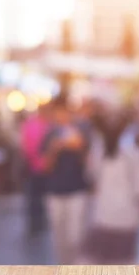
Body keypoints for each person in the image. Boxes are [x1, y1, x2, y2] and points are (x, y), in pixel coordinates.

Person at [83, 113, 139, 264]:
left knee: (101, 263)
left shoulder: (98, 151)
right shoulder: (133, 152)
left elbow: (90, 177)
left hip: (103, 215)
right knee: (123, 264)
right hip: (127, 216)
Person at [41, 97, 89, 264]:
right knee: (58, 237)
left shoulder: (81, 130)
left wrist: (77, 146)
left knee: (75, 236)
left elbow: (87, 159)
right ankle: (63, 268)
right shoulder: (50, 134)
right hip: (55, 191)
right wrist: (54, 149)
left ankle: (76, 268)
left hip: (76, 190)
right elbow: (45, 166)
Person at [20, 103, 51, 237]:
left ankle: (39, 222)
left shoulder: (47, 124)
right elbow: (28, 147)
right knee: (35, 197)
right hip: (35, 167)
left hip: (45, 167)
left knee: (40, 196)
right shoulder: (33, 125)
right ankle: (35, 222)